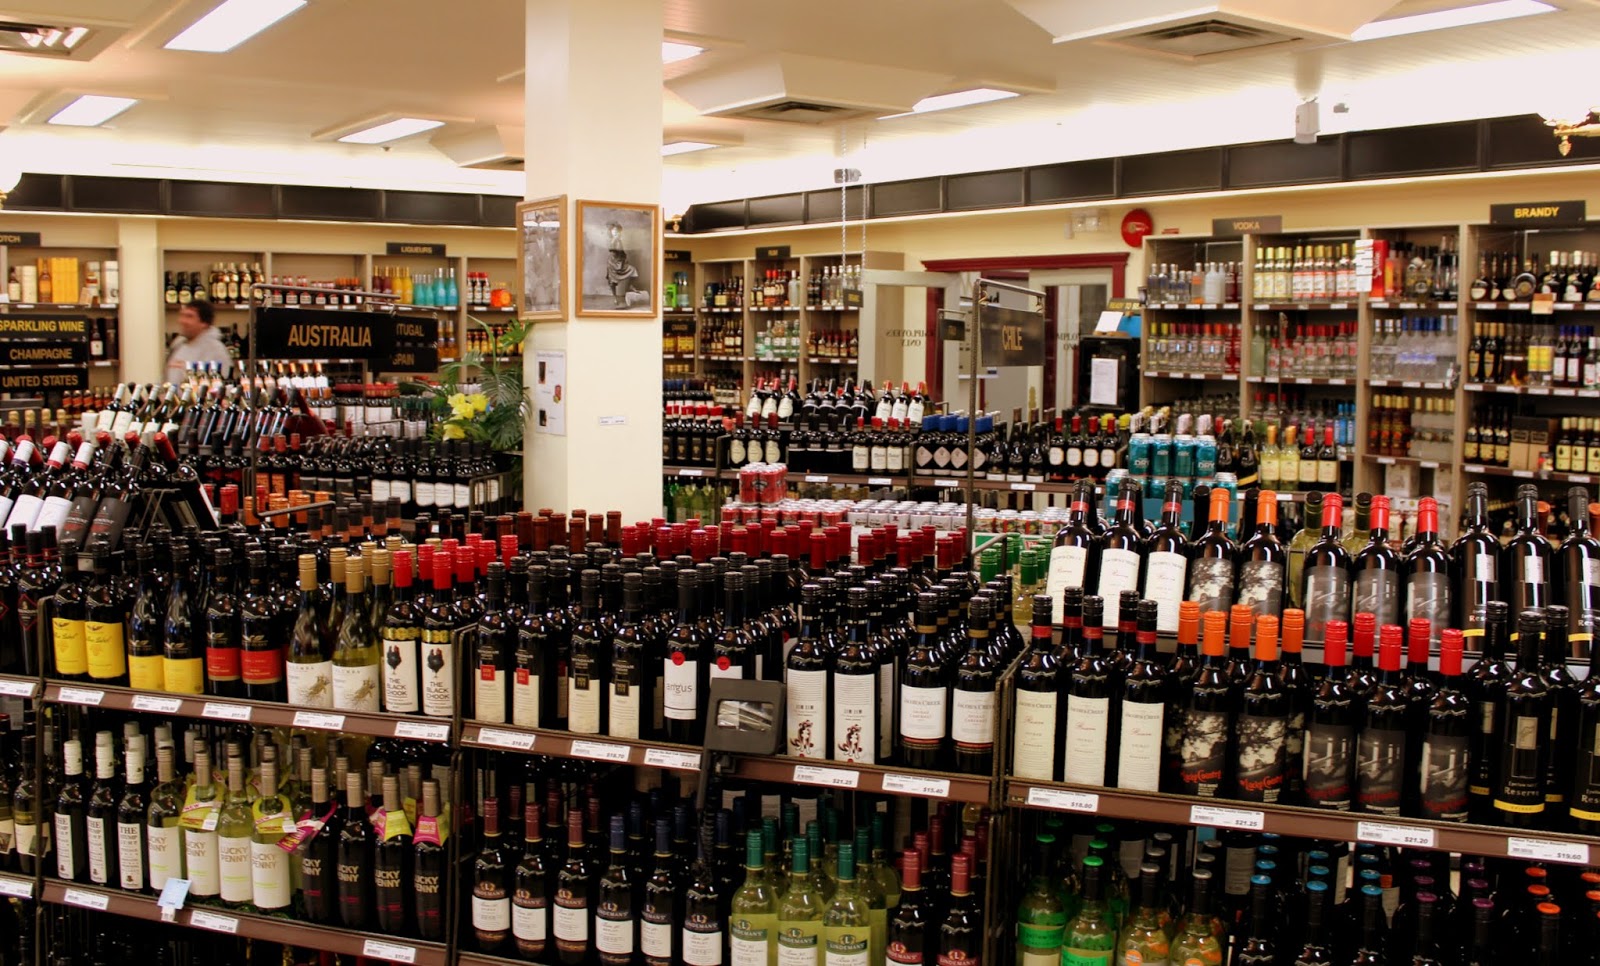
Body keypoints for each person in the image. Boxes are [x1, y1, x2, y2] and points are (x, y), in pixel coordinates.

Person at [165, 300, 233, 383]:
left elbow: (221, 384)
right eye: (182, 315)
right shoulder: (178, 344)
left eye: (189, 316)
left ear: (204, 323)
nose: (182, 321)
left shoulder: (215, 350)